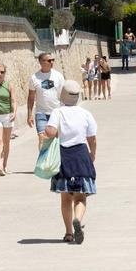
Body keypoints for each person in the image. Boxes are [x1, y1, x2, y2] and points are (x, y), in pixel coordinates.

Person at [43, 81, 97, 245]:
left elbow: (50, 132)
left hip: (63, 155)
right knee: (80, 196)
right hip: (81, 154)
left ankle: (68, 233)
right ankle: (78, 220)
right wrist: (92, 155)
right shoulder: (85, 113)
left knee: (65, 197)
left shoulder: (57, 112)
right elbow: (92, 138)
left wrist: (50, 131)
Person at [27, 52, 66, 144]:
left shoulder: (59, 76)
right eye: (49, 60)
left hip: (56, 112)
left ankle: (55, 158)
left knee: (56, 139)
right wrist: (29, 115)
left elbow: (64, 95)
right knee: (42, 138)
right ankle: (44, 159)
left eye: (53, 60)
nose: (52, 62)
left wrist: (65, 111)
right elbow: (31, 97)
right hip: (41, 113)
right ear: (41, 62)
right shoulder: (34, 78)